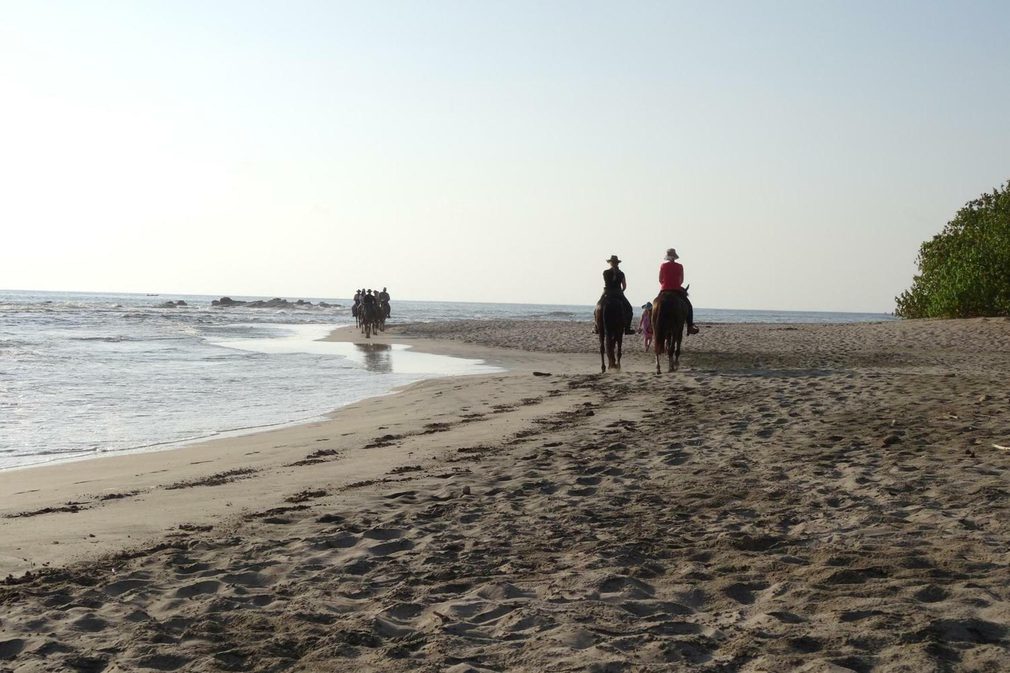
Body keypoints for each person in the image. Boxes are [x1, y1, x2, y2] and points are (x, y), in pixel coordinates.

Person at [657, 248, 699, 334]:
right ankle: (690, 326)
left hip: (664, 289)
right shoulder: (680, 266)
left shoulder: (663, 266)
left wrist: (665, 284)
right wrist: (675, 284)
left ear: (667, 257)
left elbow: (660, 279)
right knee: (689, 306)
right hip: (676, 290)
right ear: (675, 257)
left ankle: (652, 325)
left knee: (655, 305)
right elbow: (681, 281)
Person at [595, 255, 635, 335]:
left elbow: (607, 283)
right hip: (618, 293)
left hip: (607, 292)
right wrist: (621, 291)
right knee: (629, 309)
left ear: (610, 263)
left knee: (597, 307)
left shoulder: (605, 272)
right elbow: (624, 286)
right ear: (617, 263)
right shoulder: (621, 273)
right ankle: (627, 328)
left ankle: (596, 327)